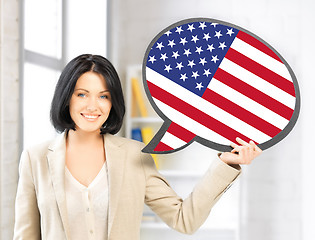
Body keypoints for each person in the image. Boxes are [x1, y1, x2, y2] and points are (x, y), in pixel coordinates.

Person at [14, 54, 262, 240]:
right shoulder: (35, 158)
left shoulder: (134, 156)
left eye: (103, 96)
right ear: (66, 97)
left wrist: (226, 163)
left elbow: (184, 219)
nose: (93, 106)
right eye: (81, 94)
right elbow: (25, 235)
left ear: (113, 102)